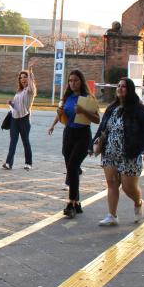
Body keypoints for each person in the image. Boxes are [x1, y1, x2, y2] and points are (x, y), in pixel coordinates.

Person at [93, 78, 144, 227]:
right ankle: (112, 215)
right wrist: (93, 143)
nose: (120, 88)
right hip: (109, 152)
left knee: (128, 187)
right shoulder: (111, 108)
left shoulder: (139, 109)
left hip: (130, 154)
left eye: (124, 86)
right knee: (112, 183)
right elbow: (102, 127)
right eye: (118, 86)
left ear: (130, 90)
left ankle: (138, 202)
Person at [47, 70, 99, 218]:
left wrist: (83, 111)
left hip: (83, 134)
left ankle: (71, 203)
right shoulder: (67, 97)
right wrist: (57, 118)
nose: (72, 83)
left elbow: (97, 119)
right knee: (72, 169)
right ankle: (77, 202)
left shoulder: (88, 98)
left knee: (72, 167)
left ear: (81, 81)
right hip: (69, 133)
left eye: (75, 80)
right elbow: (62, 116)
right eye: (70, 81)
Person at [4, 69, 36, 171]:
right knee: (13, 142)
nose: (23, 79)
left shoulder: (30, 90)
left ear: (29, 78)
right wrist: (11, 103)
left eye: (25, 77)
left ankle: (28, 163)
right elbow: (16, 106)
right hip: (14, 119)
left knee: (25, 141)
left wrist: (30, 70)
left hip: (24, 119)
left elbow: (32, 83)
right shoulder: (19, 91)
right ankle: (8, 163)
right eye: (21, 78)